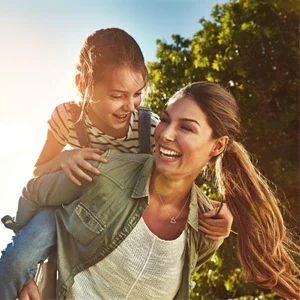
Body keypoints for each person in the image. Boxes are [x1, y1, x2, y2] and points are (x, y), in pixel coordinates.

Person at [3, 82, 300, 300]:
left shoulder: (208, 226)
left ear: (217, 146)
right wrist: (24, 272)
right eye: (167, 120)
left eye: (187, 128)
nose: (166, 134)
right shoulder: (103, 170)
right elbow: (34, 193)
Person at [0, 28, 232, 299]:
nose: (130, 106)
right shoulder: (67, 118)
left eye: (137, 94)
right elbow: (40, 171)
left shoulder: (149, 128)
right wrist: (64, 157)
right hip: (63, 208)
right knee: (14, 264)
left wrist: (221, 214)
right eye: (117, 95)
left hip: (110, 215)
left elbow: (181, 174)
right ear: (82, 84)